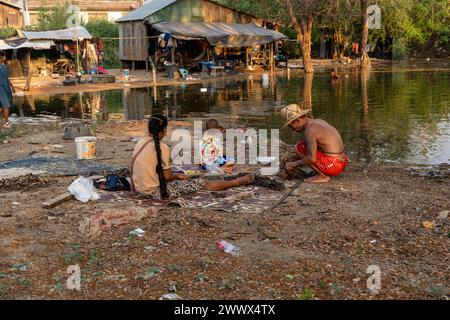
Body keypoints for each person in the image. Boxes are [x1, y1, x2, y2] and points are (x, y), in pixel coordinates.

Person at [131, 114, 255, 199]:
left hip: (138, 189)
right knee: (203, 183)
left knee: (181, 175)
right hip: (153, 193)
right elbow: (167, 176)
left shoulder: (141, 142)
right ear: (163, 130)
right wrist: (176, 176)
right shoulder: (162, 147)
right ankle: (237, 182)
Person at [281, 104, 348, 183]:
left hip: (334, 166)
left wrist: (293, 164)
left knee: (299, 147)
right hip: (343, 161)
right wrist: (296, 159)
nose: (292, 130)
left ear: (298, 120)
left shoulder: (310, 129)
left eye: (291, 126)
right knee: (303, 145)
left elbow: (312, 158)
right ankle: (321, 171)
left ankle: (322, 176)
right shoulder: (318, 121)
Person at [0, 51, 15, 128]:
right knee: (5, 105)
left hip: (6, 87)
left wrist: (12, 86)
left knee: (2, 106)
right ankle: (6, 121)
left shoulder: (4, 66)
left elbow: (6, 78)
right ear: (1, 57)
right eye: (4, 56)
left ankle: (4, 120)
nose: (5, 58)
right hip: (1, 88)